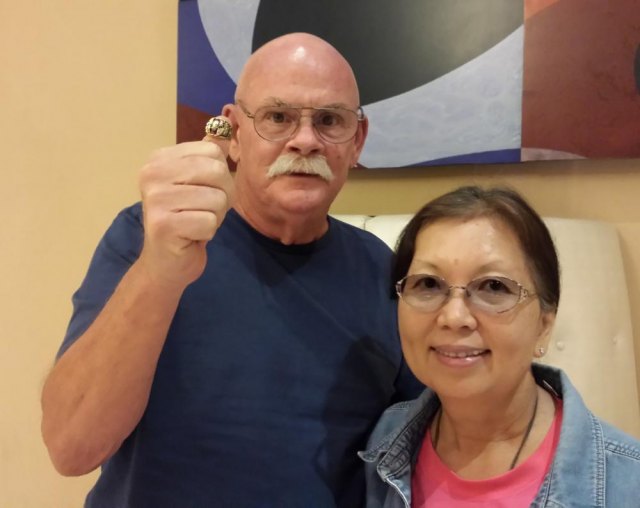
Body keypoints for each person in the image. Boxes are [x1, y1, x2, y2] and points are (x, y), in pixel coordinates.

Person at [41, 32, 421, 507]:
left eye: (329, 121)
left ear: (357, 140)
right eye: (278, 117)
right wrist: (161, 271)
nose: (305, 141)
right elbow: (72, 447)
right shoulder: (147, 237)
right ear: (234, 133)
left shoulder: (387, 274)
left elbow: (437, 442)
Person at [360, 186, 640, 507]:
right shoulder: (385, 439)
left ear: (544, 324)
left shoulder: (627, 484)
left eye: (493, 286)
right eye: (428, 284)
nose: (454, 317)